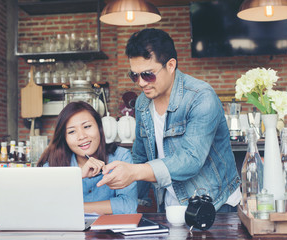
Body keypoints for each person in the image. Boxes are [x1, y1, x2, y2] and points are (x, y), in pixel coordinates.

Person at [97, 28, 241, 212]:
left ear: (171, 65)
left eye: (148, 74)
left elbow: (191, 159)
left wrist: (133, 172)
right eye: (134, 75)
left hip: (215, 205)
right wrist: (121, 192)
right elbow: (140, 157)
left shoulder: (201, 97)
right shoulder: (142, 103)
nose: (141, 83)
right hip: (171, 206)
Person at [37, 101, 138, 215]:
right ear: (64, 138)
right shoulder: (53, 164)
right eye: (71, 131)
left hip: (109, 231)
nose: (82, 136)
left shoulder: (120, 157)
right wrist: (77, 176)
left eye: (87, 126)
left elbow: (128, 206)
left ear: (99, 127)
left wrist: (73, 208)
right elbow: (42, 205)